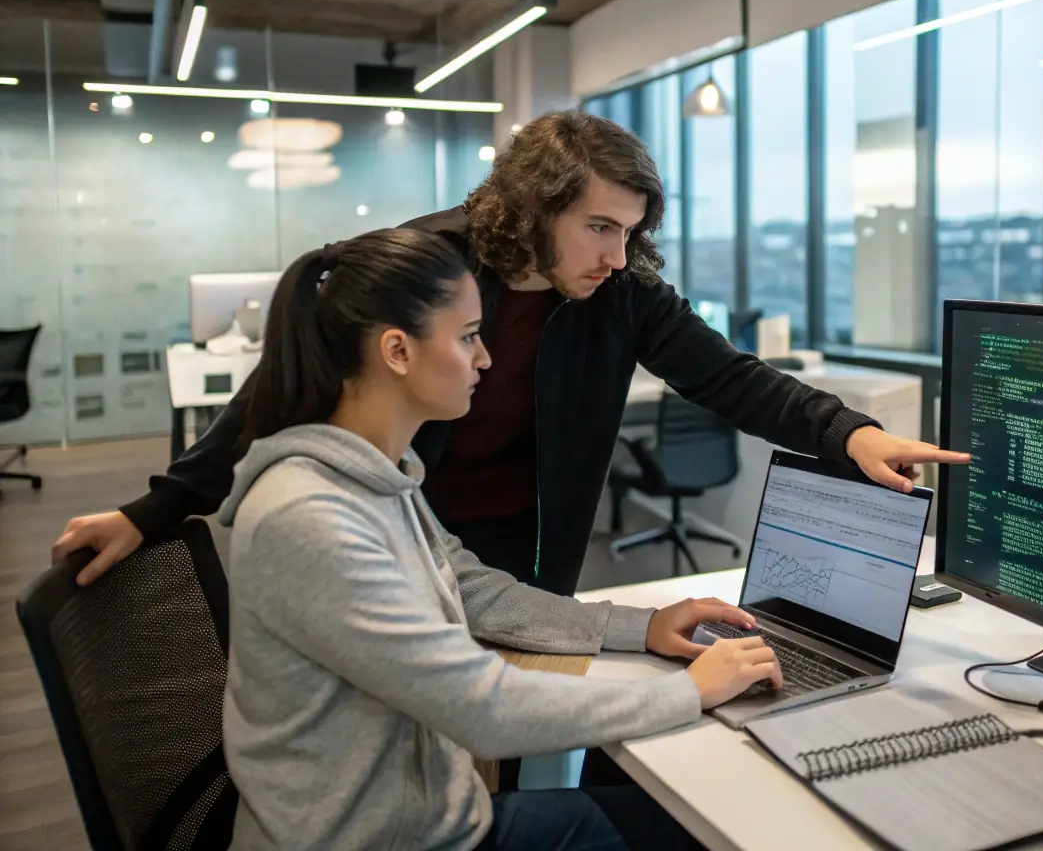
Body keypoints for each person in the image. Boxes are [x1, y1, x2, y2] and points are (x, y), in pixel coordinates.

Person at [54, 109, 968, 596]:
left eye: (630, 231)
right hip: (408, 529)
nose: (615, 255)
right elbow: (281, 391)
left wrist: (849, 434)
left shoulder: (619, 292)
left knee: (519, 736)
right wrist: (154, 508)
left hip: (536, 542)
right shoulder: (433, 266)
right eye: (598, 228)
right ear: (536, 208)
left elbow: (727, 376)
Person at [222, 227, 780, 851]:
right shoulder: (312, 517)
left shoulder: (379, 478)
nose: (486, 358)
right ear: (398, 352)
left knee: (665, 805)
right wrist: (687, 692)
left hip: (428, 819)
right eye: (467, 338)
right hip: (388, 841)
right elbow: (481, 709)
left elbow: (473, 589)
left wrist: (639, 627)